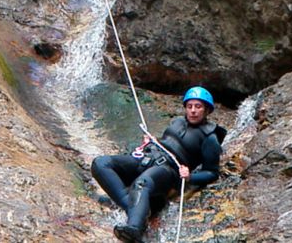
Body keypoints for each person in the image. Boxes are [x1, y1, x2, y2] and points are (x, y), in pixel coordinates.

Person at [91, 86, 226, 243]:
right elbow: (166, 143)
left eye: (198, 107)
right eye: (190, 106)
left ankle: (135, 228)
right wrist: (149, 143)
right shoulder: (178, 122)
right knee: (101, 164)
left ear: (207, 110)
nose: (193, 111)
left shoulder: (210, 138)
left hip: (168, 170)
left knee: (141, 184)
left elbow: (212, 172)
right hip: (149, 157)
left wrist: (190, 177)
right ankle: (134, 206)